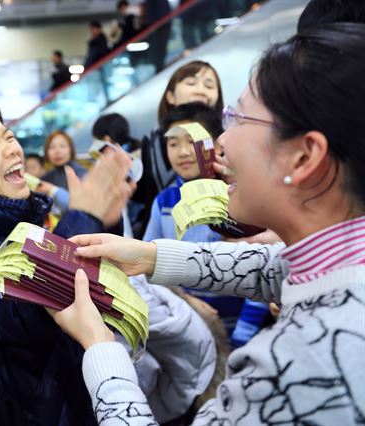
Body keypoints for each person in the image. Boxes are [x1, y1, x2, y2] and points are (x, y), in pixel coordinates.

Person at [52, 23, 365, 425]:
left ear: (304, 158)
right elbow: (277, 267)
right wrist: (149, 255)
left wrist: (100, 348)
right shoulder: (340, 260)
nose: (221, 142)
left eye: (239, 119)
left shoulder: (302, 360)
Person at [0, 96, 133, 426]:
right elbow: (12, 317)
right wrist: (84, 216)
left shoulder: (26, 228)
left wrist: (102, 224)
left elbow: (90, 298)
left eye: (9, 136)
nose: (12, 149)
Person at [142, 102, 270, 348]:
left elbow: (263, 265)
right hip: (185, 327)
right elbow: (149, 263)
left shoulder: (239, 197)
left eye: (193, 141)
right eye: (173, 143)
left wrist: (243, 336)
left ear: (215, 143)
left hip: (244, 330)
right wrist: (185, 303)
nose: (183, 152)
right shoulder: (164, 202)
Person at [139, 61, 223, 232]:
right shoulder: (164, 200)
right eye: (191, 83)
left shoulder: (232, 192)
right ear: (170, 96)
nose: (200, 90)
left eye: (209, 85)